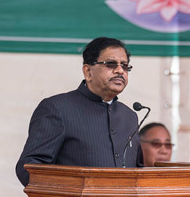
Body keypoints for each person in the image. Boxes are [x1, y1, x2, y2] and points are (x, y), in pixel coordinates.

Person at [15, 36, 142, 186]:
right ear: (88, 71)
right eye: (111, 64)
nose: (120, 70)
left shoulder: (129, 116)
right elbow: (29, 169)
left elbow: (138, 172)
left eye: (125, 66)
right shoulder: (57, 108)